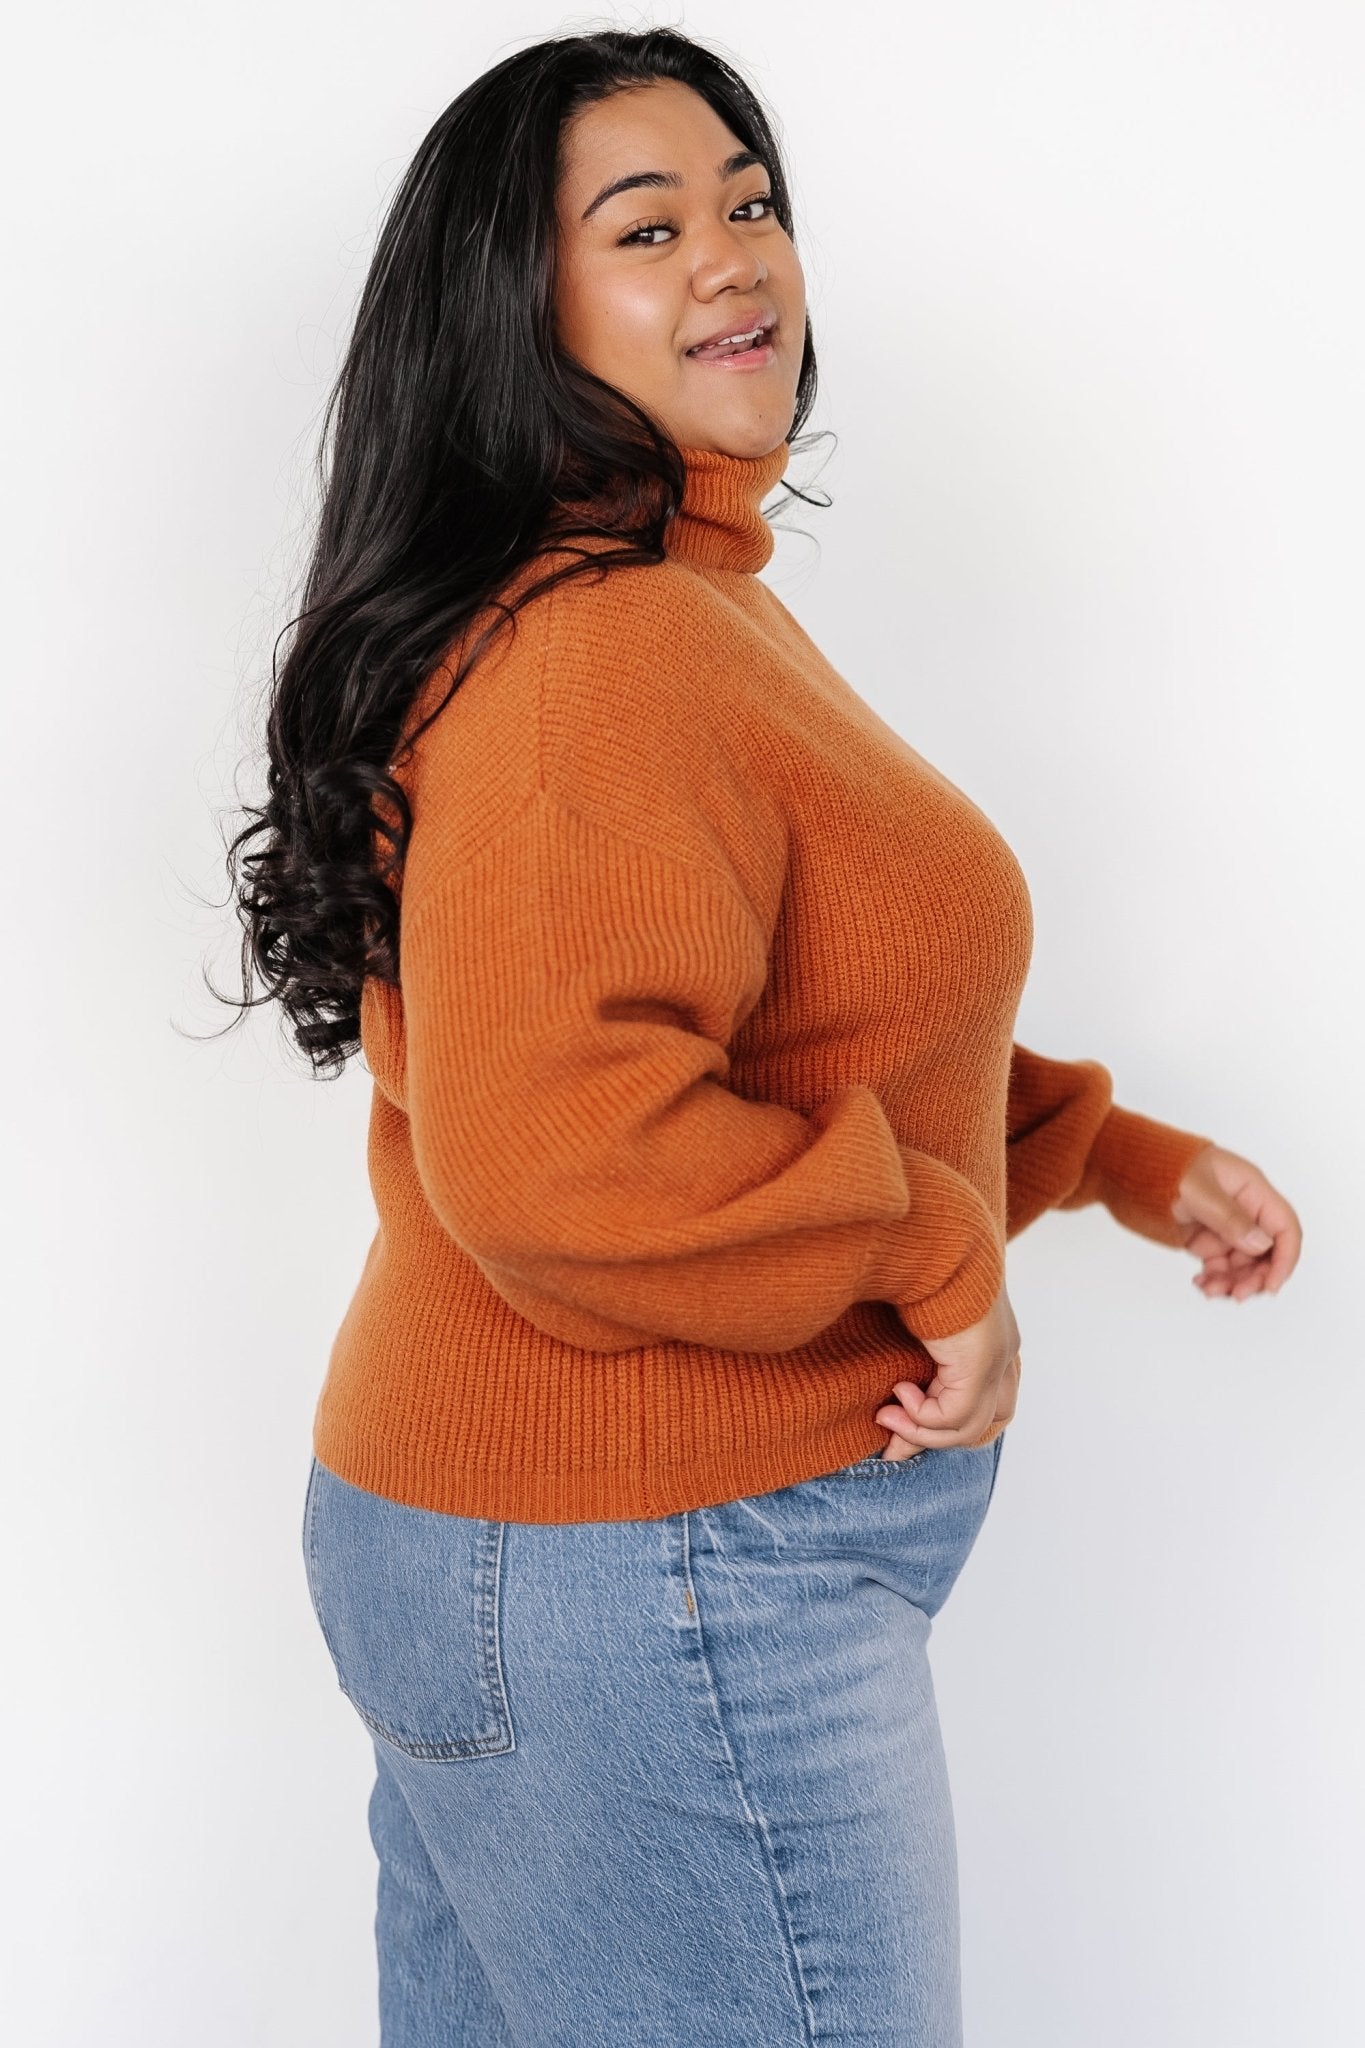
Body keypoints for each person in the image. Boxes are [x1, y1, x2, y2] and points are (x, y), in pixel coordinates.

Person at [224, 26, 1302, 2047]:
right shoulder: (601, 648)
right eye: (645, 229)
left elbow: (813, 1017)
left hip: (569, 1553)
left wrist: (1099, 1156)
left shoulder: (661, 597)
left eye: (749, 203)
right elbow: (564, 1151)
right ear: (515, 307)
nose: (734, 257)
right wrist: (931, 1247)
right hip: (646, 1567)